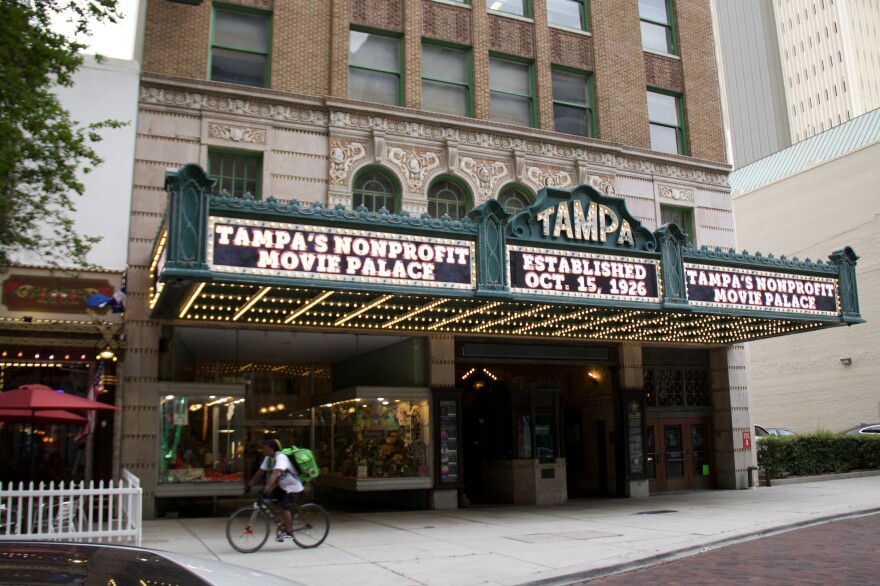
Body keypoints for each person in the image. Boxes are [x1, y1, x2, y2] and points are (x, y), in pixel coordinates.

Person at [245, 438, 304, 541]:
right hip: (283, 487)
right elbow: (260, 472)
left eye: (265, 448)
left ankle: (289, 533)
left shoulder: (281, 457)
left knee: (284, 508)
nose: (263, 451)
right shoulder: (268, 459)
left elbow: (276, 473)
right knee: (269, 500)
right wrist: (250, 485)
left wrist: (266, 488)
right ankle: (283, 519)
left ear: (272, 450)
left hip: (293, 488)